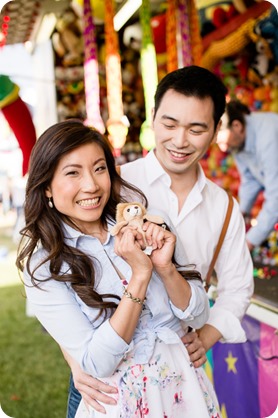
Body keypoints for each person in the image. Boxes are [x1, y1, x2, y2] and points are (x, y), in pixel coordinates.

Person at [65, 65, 254, 417]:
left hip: (177, 375)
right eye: (169, 124)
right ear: (152, 118)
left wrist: (208, 335)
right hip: (104, 380)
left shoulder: (223, 207)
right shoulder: (110, 186)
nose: (180, 141)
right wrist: (75, 360)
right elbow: (64, 279)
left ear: (215, 131)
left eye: (196, 129)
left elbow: (238, 288)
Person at [16, 119, 221, 417]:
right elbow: (97, 362)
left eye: (99, 168)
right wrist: (140, 276)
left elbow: (200, 314)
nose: (92, 185)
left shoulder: (153, 222)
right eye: (73, 172)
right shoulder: (43, 265)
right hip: (120, 405)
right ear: (46, 186)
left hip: (185, 393)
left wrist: (165, 268)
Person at [217, 99, 278, 250]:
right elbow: (250, 180)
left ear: (237, 126)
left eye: (224, 142)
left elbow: (276, 196)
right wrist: (241, 214)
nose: (223, 149)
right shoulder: (237, 142)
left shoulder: (268, 138)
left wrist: (249, 242)